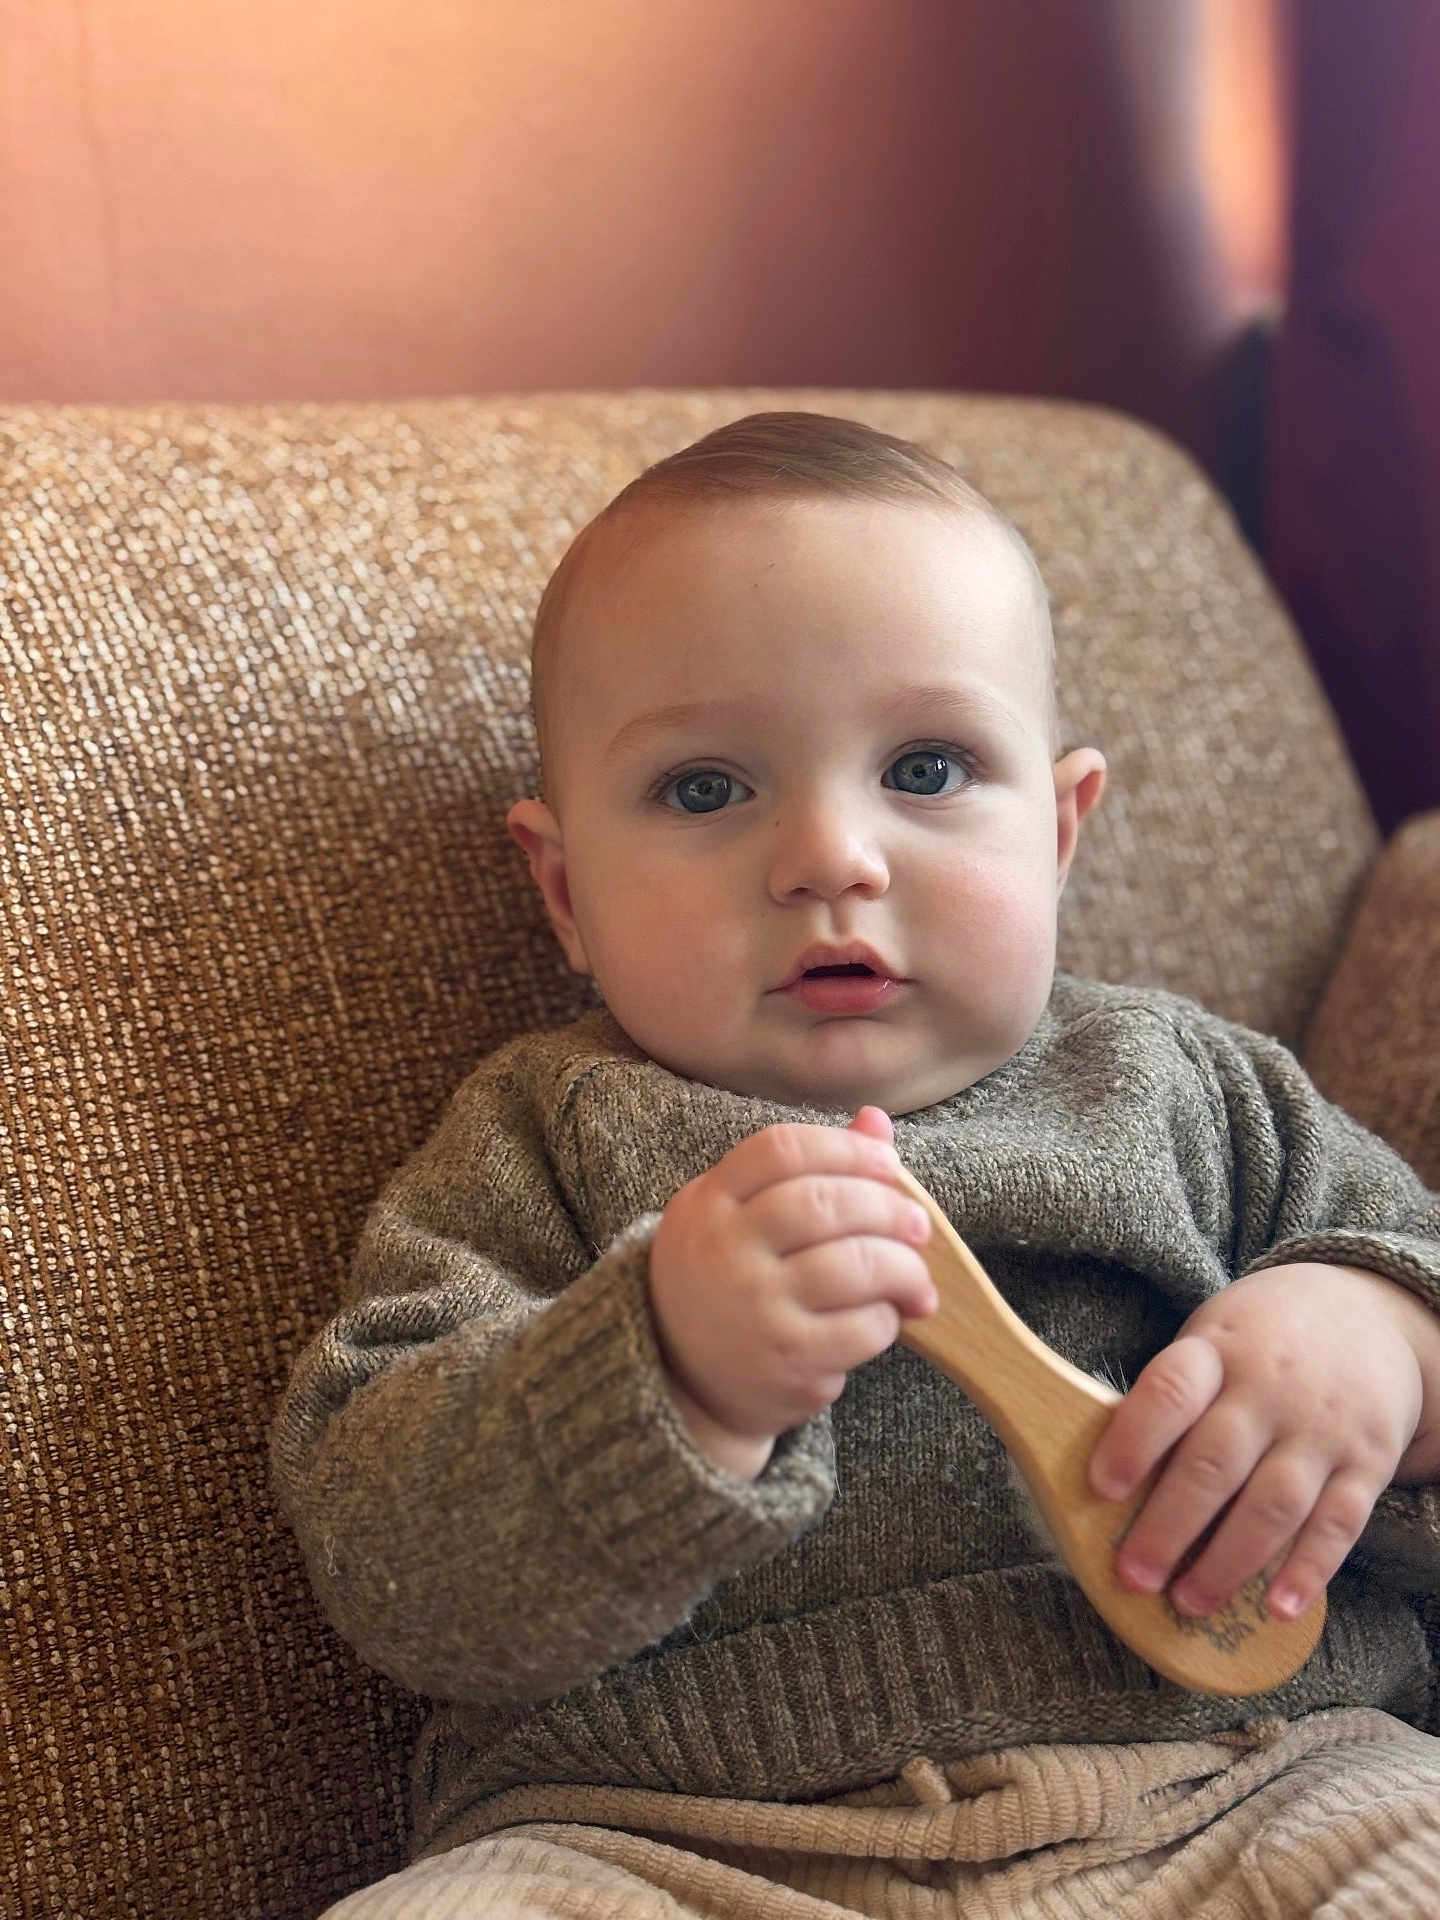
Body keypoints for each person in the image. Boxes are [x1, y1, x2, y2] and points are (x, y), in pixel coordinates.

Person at [272, 413, 1440, 1918]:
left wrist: (1385, 1342)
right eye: (706, 789)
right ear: (566, 893)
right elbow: (389, 1563)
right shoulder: (544, 1139)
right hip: (661, 1837)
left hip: (1263, 1779)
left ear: (1063, 834)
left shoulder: (1190, 1089)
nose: (831, 855)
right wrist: (658, 1369)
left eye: (929, 767)